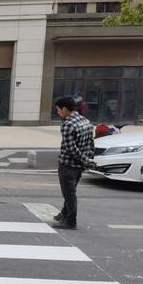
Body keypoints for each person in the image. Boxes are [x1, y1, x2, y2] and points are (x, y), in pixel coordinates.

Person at [53, 96, 95, 230]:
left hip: (68, 165)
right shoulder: (85, 121)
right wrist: (88, 160)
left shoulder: (67, 125)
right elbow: (90, 144)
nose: (58, 112)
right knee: (70, 191)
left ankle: (71, 222)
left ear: (65, 109)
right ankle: (64, 214)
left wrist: (85, 160)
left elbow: (71, 149)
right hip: (79, 166)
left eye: (58, 110)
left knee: (69, 194)